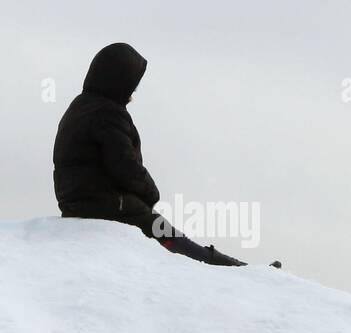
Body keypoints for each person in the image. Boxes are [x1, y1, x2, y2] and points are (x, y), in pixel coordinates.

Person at [53, 42, 249, 267]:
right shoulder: (108, 114)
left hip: (78, 202)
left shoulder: (79, 107)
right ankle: (230, 269)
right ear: (118, 81)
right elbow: (124, 166)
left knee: (162, 228)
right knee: (166, 234)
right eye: (131, 87)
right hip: (106, 204)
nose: (132, 95)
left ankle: (227, 265)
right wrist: (150, 191)